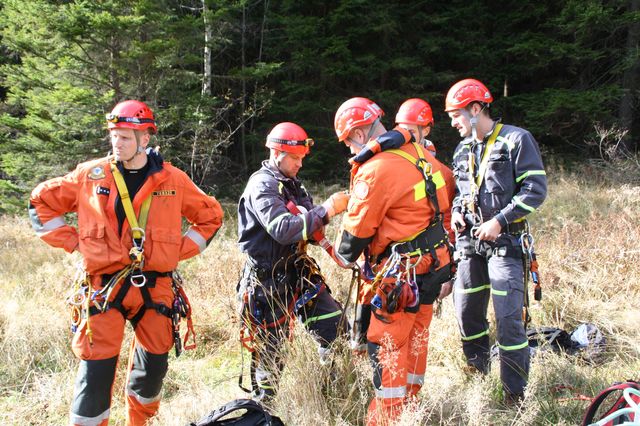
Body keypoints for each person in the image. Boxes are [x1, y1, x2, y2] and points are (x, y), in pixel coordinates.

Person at [29, 100, 224, 426]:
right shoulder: (90, 176)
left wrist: (177, 252)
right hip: (103, 289)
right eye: (114, 136)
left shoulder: (171, 180)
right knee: (95, 374)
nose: (117, 143)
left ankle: (140, 422)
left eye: (125, 137)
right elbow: (41, 203)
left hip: (156, 289)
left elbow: (210, 216)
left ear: (144, 139)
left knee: (152, 373)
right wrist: (73, 242)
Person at [332, 97, 455, 425]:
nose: (348, 148)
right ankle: (412, 407)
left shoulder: (375, 169)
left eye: (347, 141)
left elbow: (355, 235)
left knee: (387, 346)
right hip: (433, 266)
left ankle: (387, 419)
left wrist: (344, 256)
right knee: (417, 338)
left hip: (400, 277)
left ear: (358, 133)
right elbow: (443, 205)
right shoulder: (421, 153)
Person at [444, 78, 547, 403]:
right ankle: (478, 375)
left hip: (505, 245)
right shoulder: (462, 150)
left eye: (456, 115)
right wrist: (457, 212)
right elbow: (461, 193)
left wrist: (499, 222)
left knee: (508, 321)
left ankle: (514, 395)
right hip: (469, 245)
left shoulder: (517, 140)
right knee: (467, 314)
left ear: (476, 110)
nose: (453, 123)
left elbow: (535, 190)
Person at [236, 122, 348, 402]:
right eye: (294, 158)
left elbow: (307, 226)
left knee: (335, 327)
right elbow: (284, 230)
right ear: (276, 153)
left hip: (297, 271)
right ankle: (265, 411)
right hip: (267, 282)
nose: (300, 164)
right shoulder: (262, 186)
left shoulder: (292, 184)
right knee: (271, 356)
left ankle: (331, 396)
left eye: (301, 158)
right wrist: (328, 209)